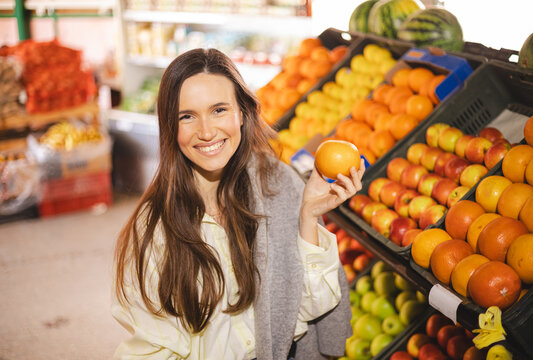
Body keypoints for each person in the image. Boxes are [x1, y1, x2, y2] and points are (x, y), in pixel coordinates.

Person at [112, 48, 365, 360]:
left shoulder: (278, 187)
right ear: (169, 127)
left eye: (219, 110)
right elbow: (151, 350)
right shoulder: (153, 231)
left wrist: (307, 217)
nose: (206, 131)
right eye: (187, 116)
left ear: (243, 113)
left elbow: (301, 314)